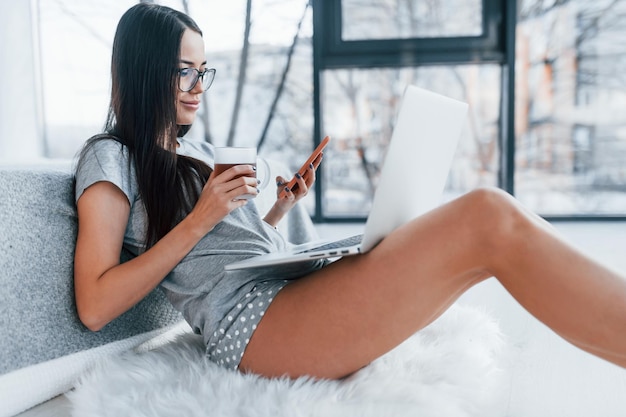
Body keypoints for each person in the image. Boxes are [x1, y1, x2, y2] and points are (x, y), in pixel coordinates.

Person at [74, 3, 626, 381]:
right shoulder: (111, 157)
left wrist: (278, 210)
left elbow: (215, 260)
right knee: (488, 216)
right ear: (146, 72)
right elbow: (95, 304)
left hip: (278, 295)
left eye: (203, 70)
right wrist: (202, 217)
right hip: (253, 327)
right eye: (184, 72)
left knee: (484, 224)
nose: (199, 87)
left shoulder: (194, 152)